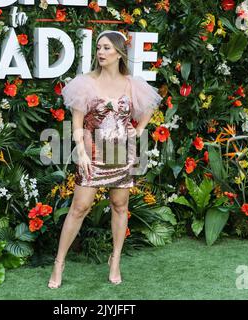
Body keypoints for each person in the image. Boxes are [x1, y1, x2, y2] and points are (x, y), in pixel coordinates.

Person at [47, 30, 162, 289]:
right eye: (99, 47)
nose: (101, 52)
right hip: (93, 153)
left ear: (119, 52)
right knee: (80, 207)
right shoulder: (85, 83)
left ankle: (115, 260)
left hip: (121, 154)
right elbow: (77, 123)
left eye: (107, 48)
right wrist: (82, 152)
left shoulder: (132, 84)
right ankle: (59, 262)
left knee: (120, 206)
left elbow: (150, 106)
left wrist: (139, 129)